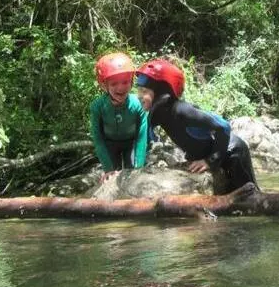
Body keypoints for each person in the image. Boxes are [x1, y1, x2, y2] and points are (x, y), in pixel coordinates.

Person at [134, 58, 258, 195]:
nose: (139, 96)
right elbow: (146, 142)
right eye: (139, 90)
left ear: (161, 92)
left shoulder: (182, 110)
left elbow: (223, 127)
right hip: (208, 153)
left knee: (249, 196)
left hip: (232, 151)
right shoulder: (158, 114)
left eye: (144, 91)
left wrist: (210, 161)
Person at [89, 52, 149, 181]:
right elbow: (98, 139)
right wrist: (108, 168)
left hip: (131, 143)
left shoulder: (138, 104)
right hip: (110, 144)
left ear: (131, 82)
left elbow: (141, 137)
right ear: (104, 85)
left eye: (125, 82)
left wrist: (139, 167)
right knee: (112, 176)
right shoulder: (98, 106)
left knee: (133, 175)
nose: (120, 88)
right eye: (114, 84)